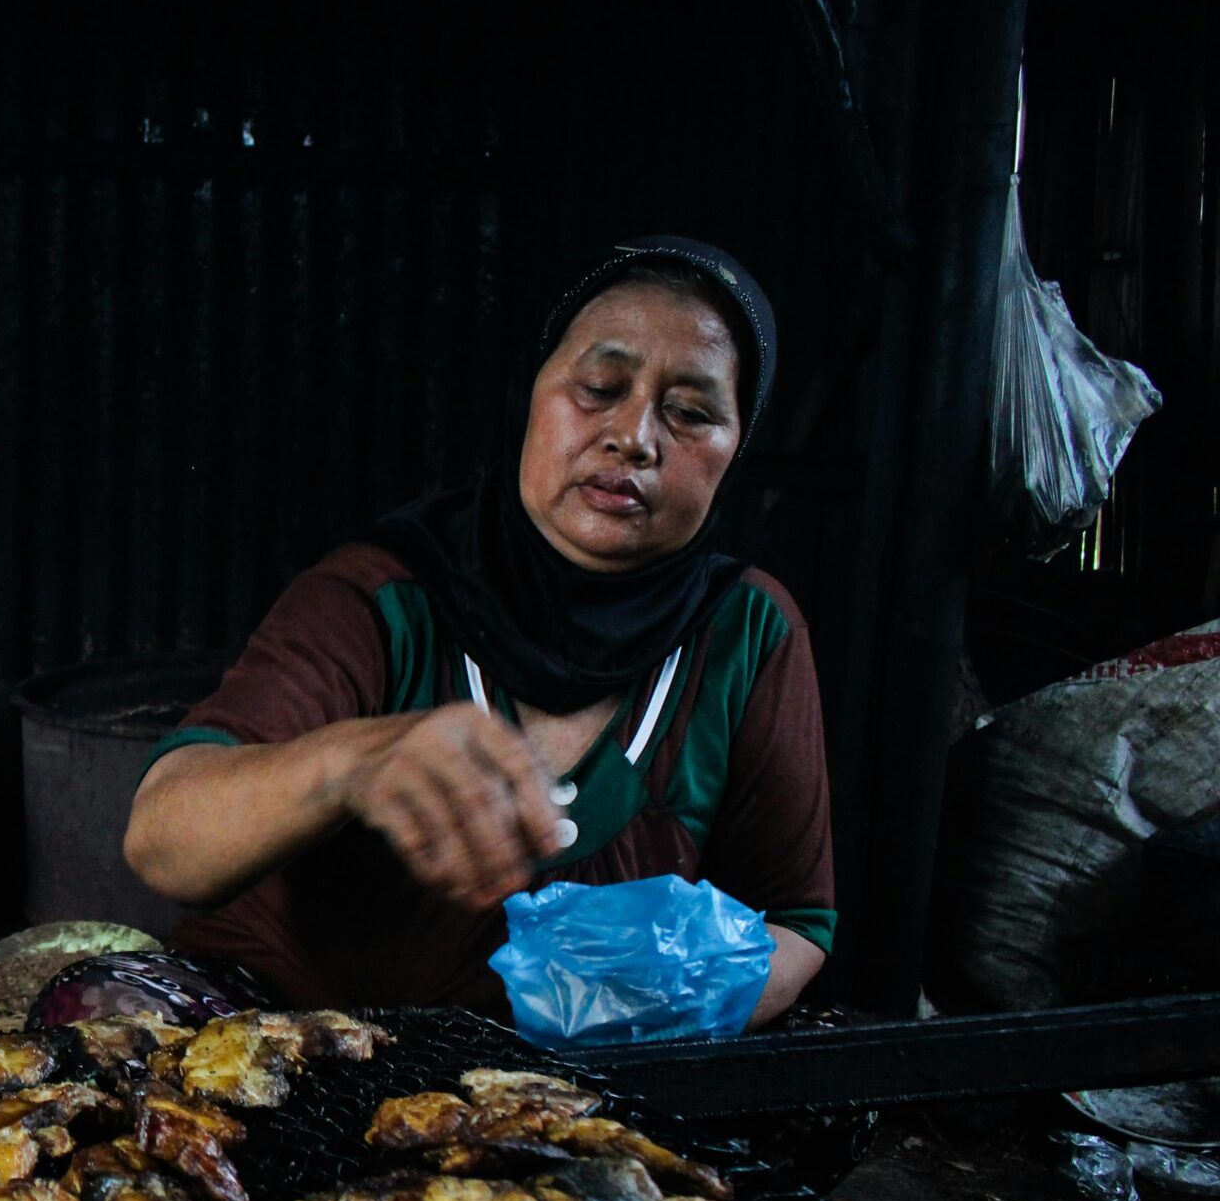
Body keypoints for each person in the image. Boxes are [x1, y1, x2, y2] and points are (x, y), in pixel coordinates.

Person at [123, 237, 831, 1028]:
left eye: (692, 412)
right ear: (531, 396)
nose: (635, 435)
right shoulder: (384, 597)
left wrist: (663, 1000)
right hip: (286, 1063)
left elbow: (796, 923)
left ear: (735, 454)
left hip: (558, 1110)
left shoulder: (746, 635)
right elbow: (162, 835)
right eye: (599, 387)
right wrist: (356, 760)